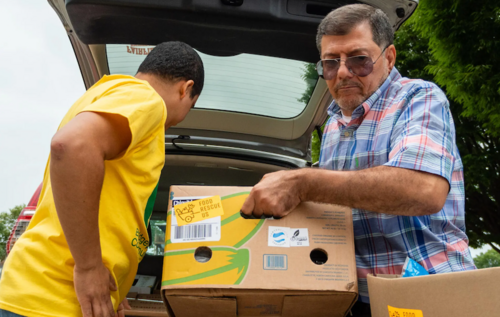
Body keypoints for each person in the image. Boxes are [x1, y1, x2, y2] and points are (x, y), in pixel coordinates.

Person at [240, 4, 475, 316]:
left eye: (359, 60)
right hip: (352, 300)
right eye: (329, 63)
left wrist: (304, 183)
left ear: (388, 58)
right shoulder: (334, 125)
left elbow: (424, 191)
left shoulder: (419, 98)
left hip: (429, 294)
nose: (342, 72)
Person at [0, 41, 204, 317]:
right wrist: (89, 268)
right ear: (186, 89)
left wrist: (115, 290)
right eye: (191, 107)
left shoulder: (104, 94)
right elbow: (71, 146)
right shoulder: (146, 99)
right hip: (52, 300)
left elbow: (111, 204)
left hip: (41, 295)